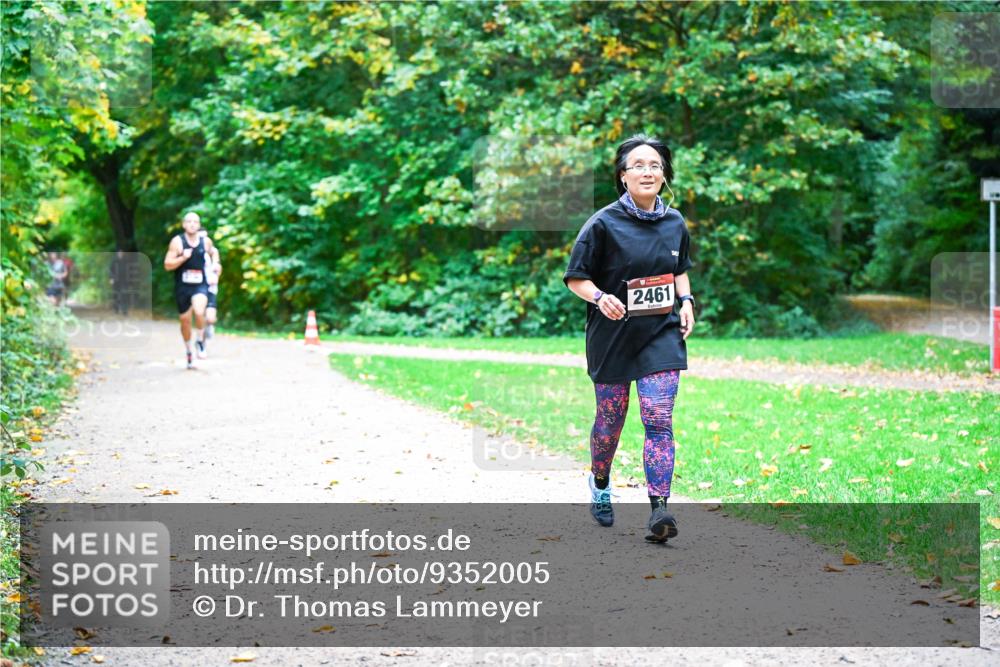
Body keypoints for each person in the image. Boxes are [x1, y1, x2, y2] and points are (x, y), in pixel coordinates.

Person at [563, 134, 696, 543]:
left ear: (664, 175)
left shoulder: (674, 222)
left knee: (658, 419)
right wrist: (601, 298)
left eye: (655, 165)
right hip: (613, 336)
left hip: (660, 333)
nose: (647, 171)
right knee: (611, 422)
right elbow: (575, 278)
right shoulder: (601, 224)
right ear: (623, 176)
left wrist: (686, 299)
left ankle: (660, 511)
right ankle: (600, 483)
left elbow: (678, 269)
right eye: (638, 165)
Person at [163, 212, 217, 369]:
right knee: (185, 321)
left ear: (199, 225)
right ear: (184, 224)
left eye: (196, 221)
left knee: (199, 311)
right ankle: (189, 351)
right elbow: (167, 265)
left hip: (200, 285)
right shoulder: (177, 242)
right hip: (182, 287)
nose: (193, 224)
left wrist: (215, 266)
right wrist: (182, 258)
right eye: (189, 221)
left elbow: (214, 253)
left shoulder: (205, 241)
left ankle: (200, 340)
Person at [198, 229, 222, 342]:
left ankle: (209, 326)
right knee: (200, 315)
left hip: (211, 288)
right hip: (198, 287)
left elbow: (218, 270)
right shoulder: (194, 253)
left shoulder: (213, 253)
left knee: (210, 318)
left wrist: (216, 274)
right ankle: (201, 341)